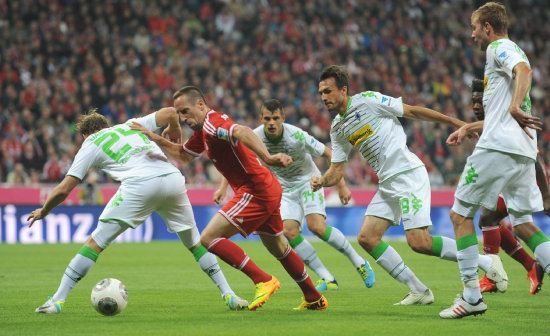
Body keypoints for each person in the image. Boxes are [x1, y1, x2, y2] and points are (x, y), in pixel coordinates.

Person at [310, 65, 502, 306]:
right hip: (388, 183)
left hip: (408, 174)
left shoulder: (368, 101)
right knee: (367, 237)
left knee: (419, 242)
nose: (323, 97)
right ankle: (418, 289)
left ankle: (485, 262)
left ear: (344, 89)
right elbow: (337, 169)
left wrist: (456, 123)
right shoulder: (338, 128)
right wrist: (322, 181)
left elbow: (412, 111)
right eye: (320, 93)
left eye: (328, 91)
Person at [30, 108, 248, 314]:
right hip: (172, 179)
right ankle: (229, 294)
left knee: (94, 244)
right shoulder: (130, 124)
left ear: (86, 134)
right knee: (195, 244)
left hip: (140, 185)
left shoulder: (91, 143)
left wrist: (44, 210)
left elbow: (65, 188)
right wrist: (174, 128)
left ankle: (57, 300)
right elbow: (171, 112)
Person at [131, 86, 327, 310]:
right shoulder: (203, 131)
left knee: (208, 238)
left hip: (255, 189)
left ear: (201, 105)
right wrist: (156, 138)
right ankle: (314, 298)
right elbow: (184, 156)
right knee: (279, 248)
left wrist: (268, 157)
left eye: (185, 111)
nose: (183, 118)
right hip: (266, 188)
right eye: (179, 114)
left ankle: (262, 280)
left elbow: (242, 131)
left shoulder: (213, 123)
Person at [441, 2, 550, 318]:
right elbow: (504, 107)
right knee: (524, 224)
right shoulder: (512, 50)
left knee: (460, 216)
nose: (472, 34)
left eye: (474, 27)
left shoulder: (498, 48)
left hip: (498, 149)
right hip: (523, 151)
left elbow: (524, 72)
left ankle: (472, 297)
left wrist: (516, 106)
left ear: (488, 27)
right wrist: (470, 126)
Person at [213, 99, 375, 291]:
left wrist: (341, 185)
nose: (271, 123)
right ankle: (327, 278)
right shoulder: (254, 137)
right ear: (261, 119)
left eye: (275, 118)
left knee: (317, 227)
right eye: (267, 119)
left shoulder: (297, 136)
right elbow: (236, 162)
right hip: (284, 190)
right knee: (289, 232)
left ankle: (359, 262)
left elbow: (330, 154)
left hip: (309, 182)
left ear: (283, 117)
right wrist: (223, 187)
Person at [471, 78, 548, 295]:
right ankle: (531, 266)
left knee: (490, 220)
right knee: (502, 222)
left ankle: (494, 275)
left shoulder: (508, 122)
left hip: (520, 183)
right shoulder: (493, 125)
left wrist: (546, 194)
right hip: (510, 183)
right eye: (473, 102)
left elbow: (535, 157)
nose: (476, 106)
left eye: (481, 101)